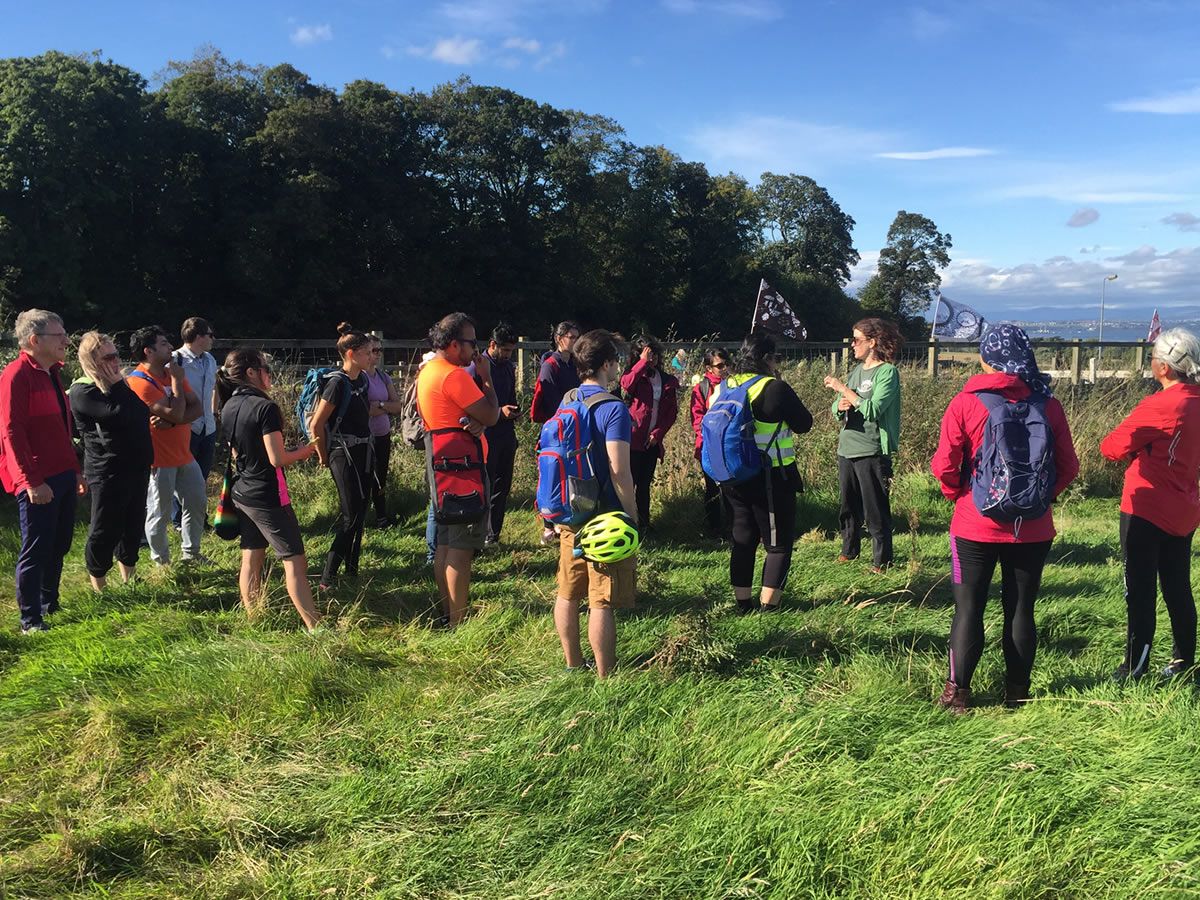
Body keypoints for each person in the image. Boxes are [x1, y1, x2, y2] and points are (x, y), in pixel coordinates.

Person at [930, 324, 1079, 713]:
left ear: (986, 357)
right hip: (1032, 527)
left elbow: (945, 465)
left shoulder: (966, 402)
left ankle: (958, 695)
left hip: (973, 524)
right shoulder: (1048, 403)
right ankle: (1017, 694)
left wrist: (957, 495)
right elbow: (1069, 466)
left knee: (968, 609)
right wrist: (1042, 498)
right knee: (1020, 610)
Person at [1100, 328, 1200, 681]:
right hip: (1185, 506)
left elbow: (1111, 447)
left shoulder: (1159, 405)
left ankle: (1135, 667)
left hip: (1146, 507)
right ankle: (1184, 662)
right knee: (1178, 586)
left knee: (1140, 589)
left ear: (1163, 368)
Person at [217, 349, 322, 631]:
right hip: (268, 494)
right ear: (251, 372)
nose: (269, 374)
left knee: (251, 556)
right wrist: (306, 450)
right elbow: (277, 459)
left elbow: (237, 452)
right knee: (294, 561)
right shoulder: (266, 408)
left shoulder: (227, 406)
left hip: (243, 491)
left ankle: (255, 616)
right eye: (265, 368)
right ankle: (315, 627)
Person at [553, 329, 639, 676]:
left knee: (568, 593)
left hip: (571, 509)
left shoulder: (567, 399)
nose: (618, 366)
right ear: (606, 364)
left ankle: (573, 664)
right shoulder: (613, 408)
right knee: (601, 599)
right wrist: (631, 515)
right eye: (616, 359)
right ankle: (606, 675)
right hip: (603, 515)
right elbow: (620, 471)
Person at [0, 309, 84, 633]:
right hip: (38, 478)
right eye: (58, 335)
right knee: (36, 548)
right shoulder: (16, 375)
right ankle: (30, 620)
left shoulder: (52, 372)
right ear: (35, 340)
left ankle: (51, 604)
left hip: (62, 473)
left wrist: (75, 470)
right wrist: (32, 481)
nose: (66, 340)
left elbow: (63, 431)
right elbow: (11, 432)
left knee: (60, 543)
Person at [721, 332, 813, 614]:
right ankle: (769, 608)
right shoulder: (774, 388)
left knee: (743, 538)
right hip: (771, 475)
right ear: (766, 359)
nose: (778, 362)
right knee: (778, 544)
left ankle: (742, 603)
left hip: (733, 475)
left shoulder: (727, 385)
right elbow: (804, 423)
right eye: (776, 357)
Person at [418, 313, 499, 626]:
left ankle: (447, 611)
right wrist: (487, 378)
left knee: (444, 543)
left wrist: (473, 420)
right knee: (461, 550)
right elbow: (492, 415)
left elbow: (456, 415)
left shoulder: (428, 372)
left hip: (442, 468)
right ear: (454, 345)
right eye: (470, 342)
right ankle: (457, 621)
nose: (474, 349)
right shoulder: (455, 376)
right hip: (465, 472)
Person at [69, 332, 153, 592]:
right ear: (92, 360)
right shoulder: (83, 391)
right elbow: (117, 416)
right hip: (107, 470)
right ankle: (100, 585)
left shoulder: (118, 386)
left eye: (116, 355)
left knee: (133, 523)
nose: (116, 361)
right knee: (105, 527)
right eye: (108, 357)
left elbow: (140, 412)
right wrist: (118, 384)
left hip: (136, 466)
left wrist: (118, 385)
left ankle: (129, 577)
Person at [824, 318, 903, 572]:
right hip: (846, 448)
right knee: (848, 506)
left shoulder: (887, 373)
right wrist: (840, 404)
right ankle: (849, 550)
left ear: (873, 342)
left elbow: (874, 409)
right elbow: (836, 407)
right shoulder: (856, 371)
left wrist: (843, 389)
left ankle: (882, 560)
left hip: (870, 450)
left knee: (875, 509)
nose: (852, 345)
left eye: (856, 340)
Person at [126, 325, 205, 566]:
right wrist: (178, 384)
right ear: (148, 351)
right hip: (158, 459)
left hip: (184, 454)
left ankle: (191, 555)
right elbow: (178, 411)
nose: (170, 347)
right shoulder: (139, 381)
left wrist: (173, 422)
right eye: (163, 344)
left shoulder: (170, 374)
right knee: (159, 514)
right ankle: (162, 562)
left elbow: (198, 408)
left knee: (197, 502)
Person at [309, 323, 375, 588]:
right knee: (351, 515)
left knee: (361, 511)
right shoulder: (337, 384)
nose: (373, 357)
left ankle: (352, 570)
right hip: (341, 453)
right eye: (368, 352)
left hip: (364, 450)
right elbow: (316, 424)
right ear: (351, 353)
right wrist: (323, 456)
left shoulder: (364, 379)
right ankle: (327, 577)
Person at [619, 334, 680, 531]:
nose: (651, 358)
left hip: (652, 442)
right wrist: (641, 364)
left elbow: (671, 412)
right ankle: (627, 523)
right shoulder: (634, 375)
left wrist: (658, 434)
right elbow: (626, 384)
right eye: (646, 354)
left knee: (644, 485)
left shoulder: (666, 380)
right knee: (630, 482)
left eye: (653, 354)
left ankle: (645, 523)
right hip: (633, 439)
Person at [532, 320, 581, 545]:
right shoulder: (550, 366)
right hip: (555, 427)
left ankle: (565, 520)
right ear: (560, 339)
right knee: (551, 474)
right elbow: (551, 400)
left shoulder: (575, 365)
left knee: (571, 473)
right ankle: (548, 525)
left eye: (577, 336)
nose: (575, 341)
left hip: (573, 427)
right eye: (572, 337)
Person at [172, 317, 218, 527]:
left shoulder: (210, 360)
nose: (212, 339)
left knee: (202, 476)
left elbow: (214, 388)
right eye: (209, 334)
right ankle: (178, 518)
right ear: (198, 337)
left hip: (208, 427)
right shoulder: (175, 360)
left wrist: (214, 413)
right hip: (186, 427)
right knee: (181, 476)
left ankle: (198, 518)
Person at [483, 323, 520, 546]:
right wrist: (498, 412)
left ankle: (493, 534)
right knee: (485, 484)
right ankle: (479, 532)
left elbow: (510, 395)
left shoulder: (507, 367)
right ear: (492, 345)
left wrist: (515, 411)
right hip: (486, 433)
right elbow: (474, 402)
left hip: (506, 432)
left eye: (511, 350)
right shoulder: (479, 366)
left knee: (502, 485)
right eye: (505, 350)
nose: (508, 354)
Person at [690, 347, 731, 538]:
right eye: (720, 365)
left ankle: (733, 527)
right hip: (708, 446)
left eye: (727, 364)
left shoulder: (732, 386)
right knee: (712, 489)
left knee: (731, 488)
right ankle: (714, 528)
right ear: (709, 367)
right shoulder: (702, 389)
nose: (724, 368)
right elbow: (696, 418)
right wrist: (709, 436)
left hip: (729, 444)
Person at [364, 335, 403, 528]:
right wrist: (385, 406)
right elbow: (365, 409)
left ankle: (381, 516)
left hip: (383, 434)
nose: (378, 354)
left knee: (381, 476)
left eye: (380, 350)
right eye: (374, 350)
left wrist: (379, 404)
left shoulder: (382, 376)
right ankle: (362, 516)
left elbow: (398, 406)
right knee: (365, 476)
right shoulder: (360, 378)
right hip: (365, 437)